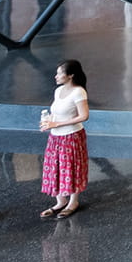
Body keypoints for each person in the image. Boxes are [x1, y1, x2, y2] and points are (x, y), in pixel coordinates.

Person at [38, 59, 90, 219]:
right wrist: (49, 122)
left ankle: (73, 202)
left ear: (71, 75)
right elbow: (56, 112)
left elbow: (84, 116)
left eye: (60, 73)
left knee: (71, 167)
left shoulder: (78, 92)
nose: (56, 76)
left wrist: (57, 124)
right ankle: (60, 201)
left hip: (71, 136)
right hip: (55, 136)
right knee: (54, 166)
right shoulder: (58, 91)